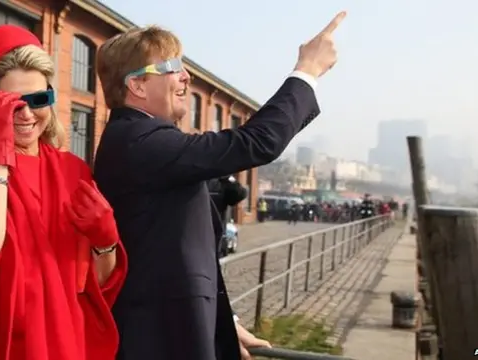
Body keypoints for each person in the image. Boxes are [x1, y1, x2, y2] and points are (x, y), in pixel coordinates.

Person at [93, 12, 345, 360]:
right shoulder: (140, 140)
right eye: (172, 67)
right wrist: (307, 71)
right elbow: (255, 142)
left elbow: (175, 254)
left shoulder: (142, 139)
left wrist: (225, 323)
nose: (185, 76)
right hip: (161, 340)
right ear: (136, 85)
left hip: (175, 327)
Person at [0, 25, 127, 360]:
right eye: (12, 104)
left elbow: (92, 285)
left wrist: (105, 242)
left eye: (38, 99)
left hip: (64, 344)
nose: (28, 115)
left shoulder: (73, 171)